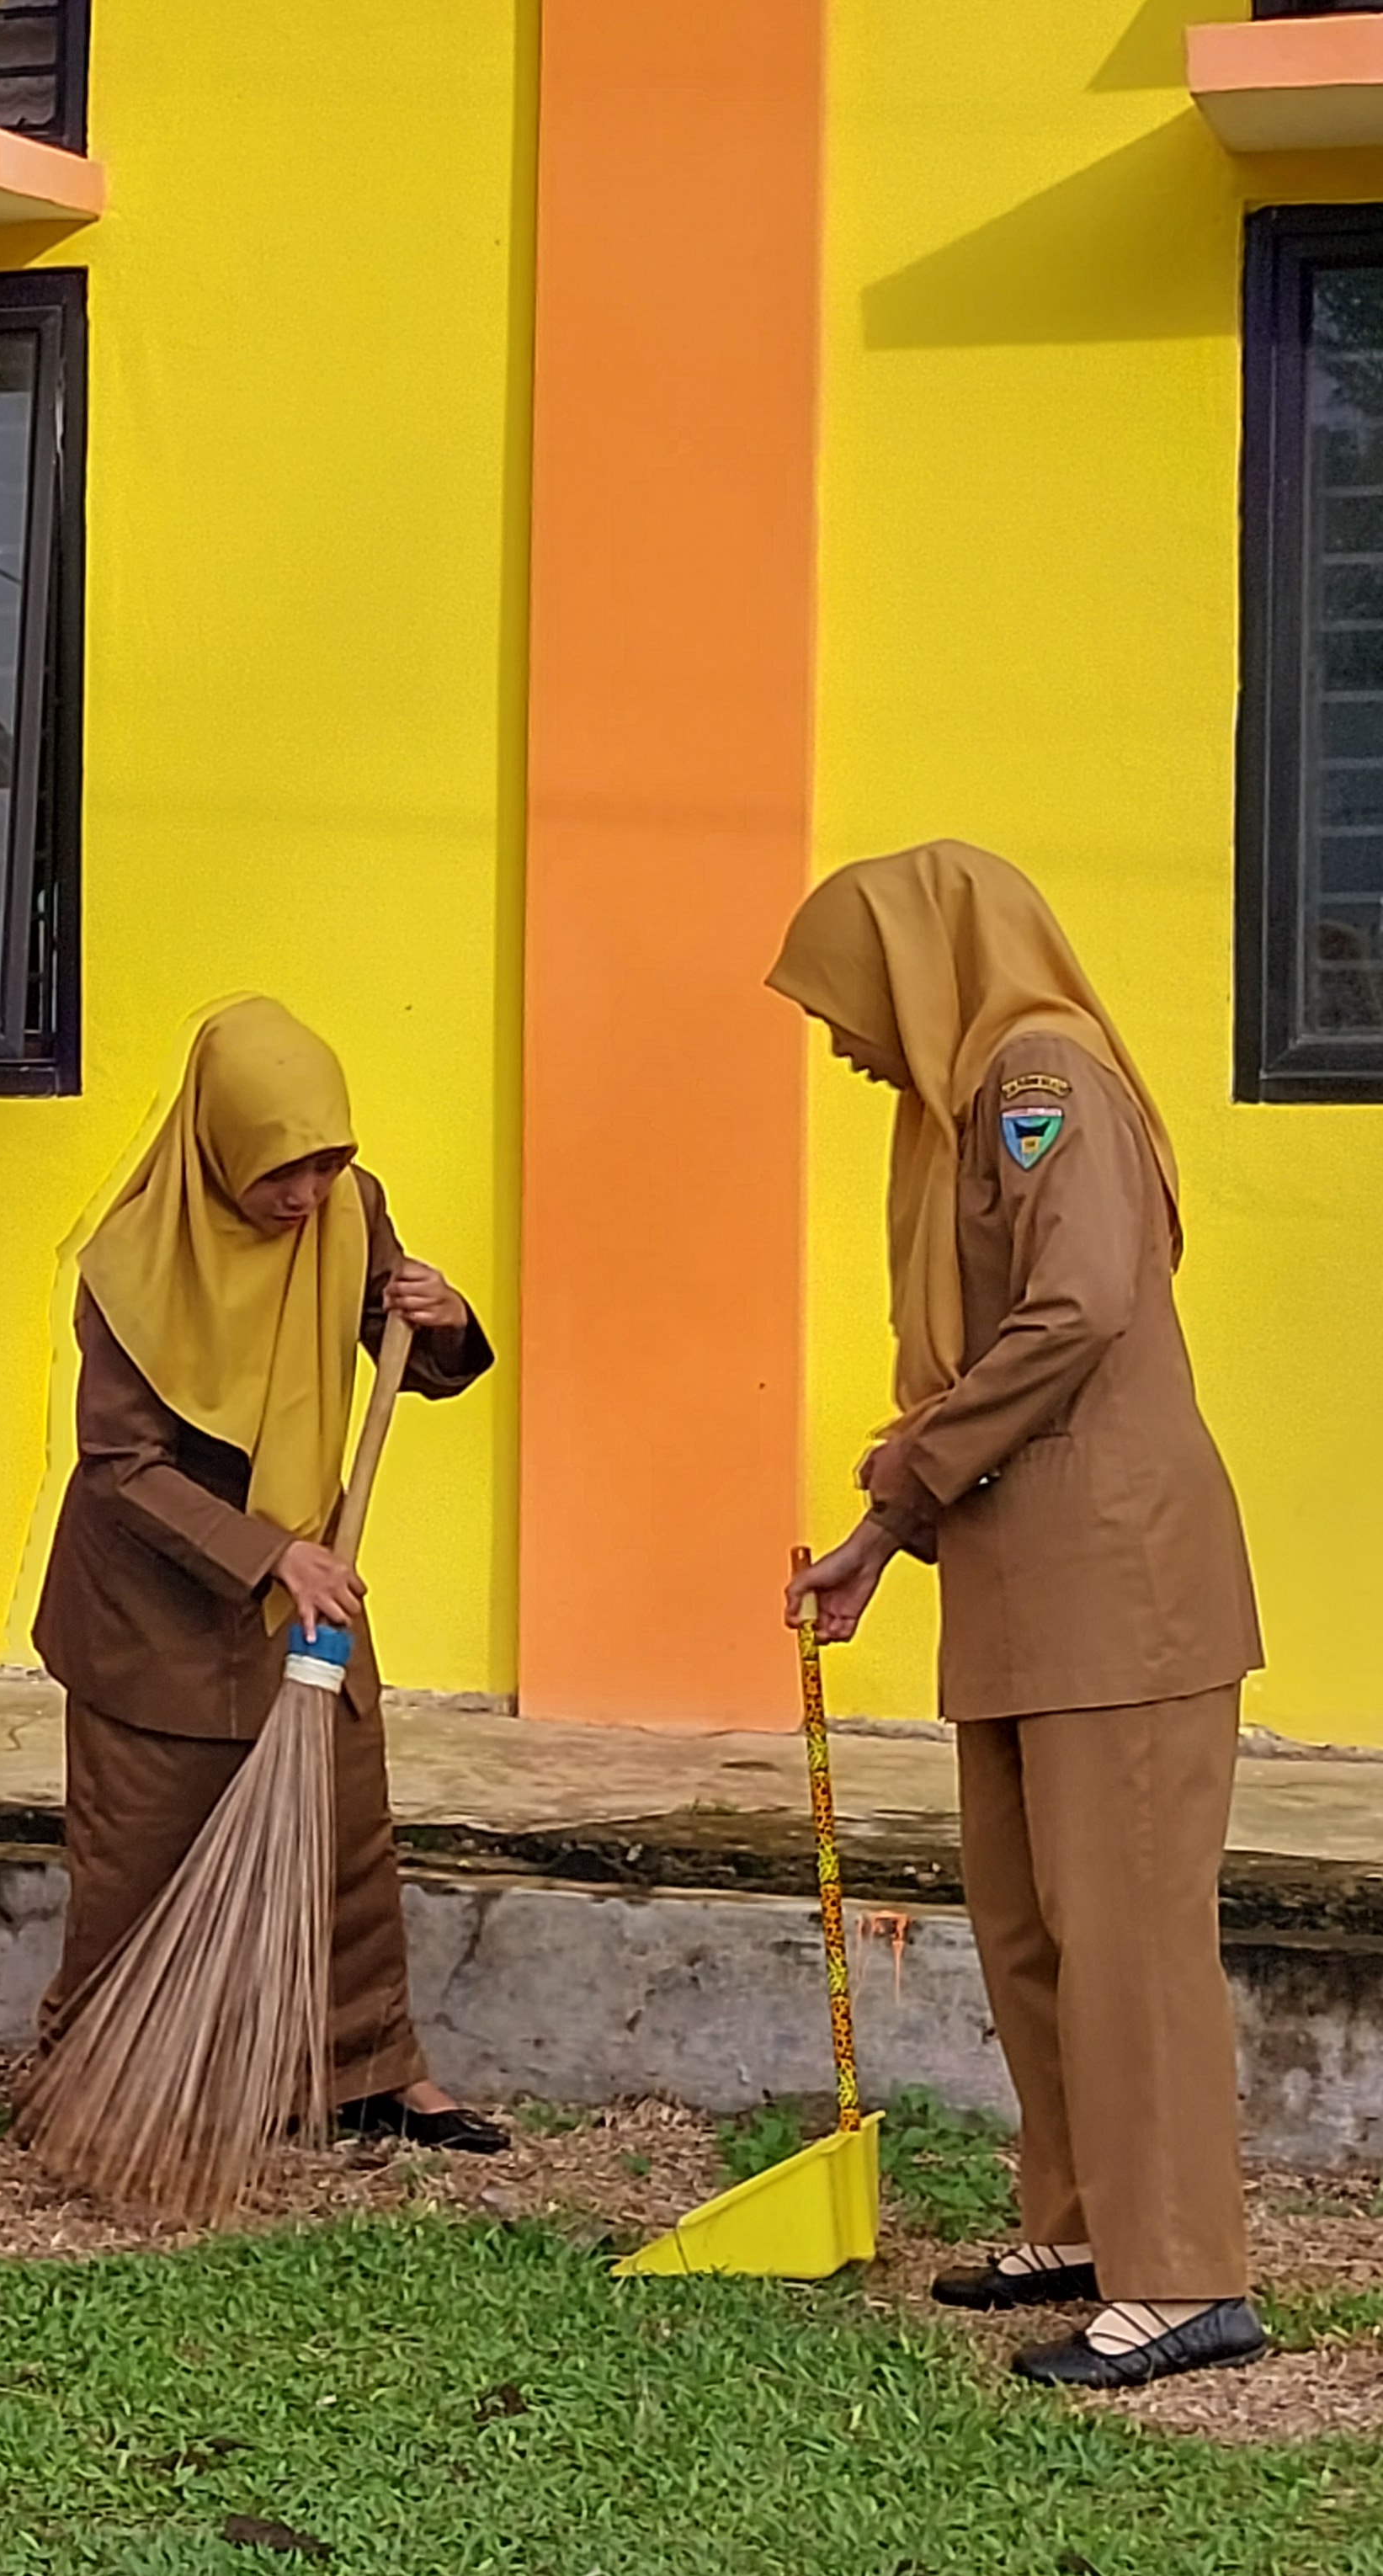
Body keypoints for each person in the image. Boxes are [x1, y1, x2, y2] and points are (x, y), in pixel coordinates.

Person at [775, 843, 1264, 2391]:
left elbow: (1081, 1306)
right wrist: (879, 1535)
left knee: (1127, 1936)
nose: (845, 1042)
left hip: (1117, 1585)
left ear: (922, 970)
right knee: (1033, 1922)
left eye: (848, 1004)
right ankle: (1079, 2217)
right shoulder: (961, 1111)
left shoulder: (1040, 1076)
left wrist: (912, 1462)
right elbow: (999, 1359)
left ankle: (1185, 2274)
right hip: (1023, 1583)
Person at [31, 996, 502, 2151]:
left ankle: (368, 2069)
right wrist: (268, 1553)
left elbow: (410, 1346)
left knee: (342, 1838)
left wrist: (437, 1318)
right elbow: (120, 1468)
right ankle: (101, 2074)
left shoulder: (351, 1209)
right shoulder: (131, 1271)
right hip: (154, 1611)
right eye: (281, 1170)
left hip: (306, 1589)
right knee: (141, 1853)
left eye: (327, 1161)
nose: (306, 1194)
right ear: (220, 1149)